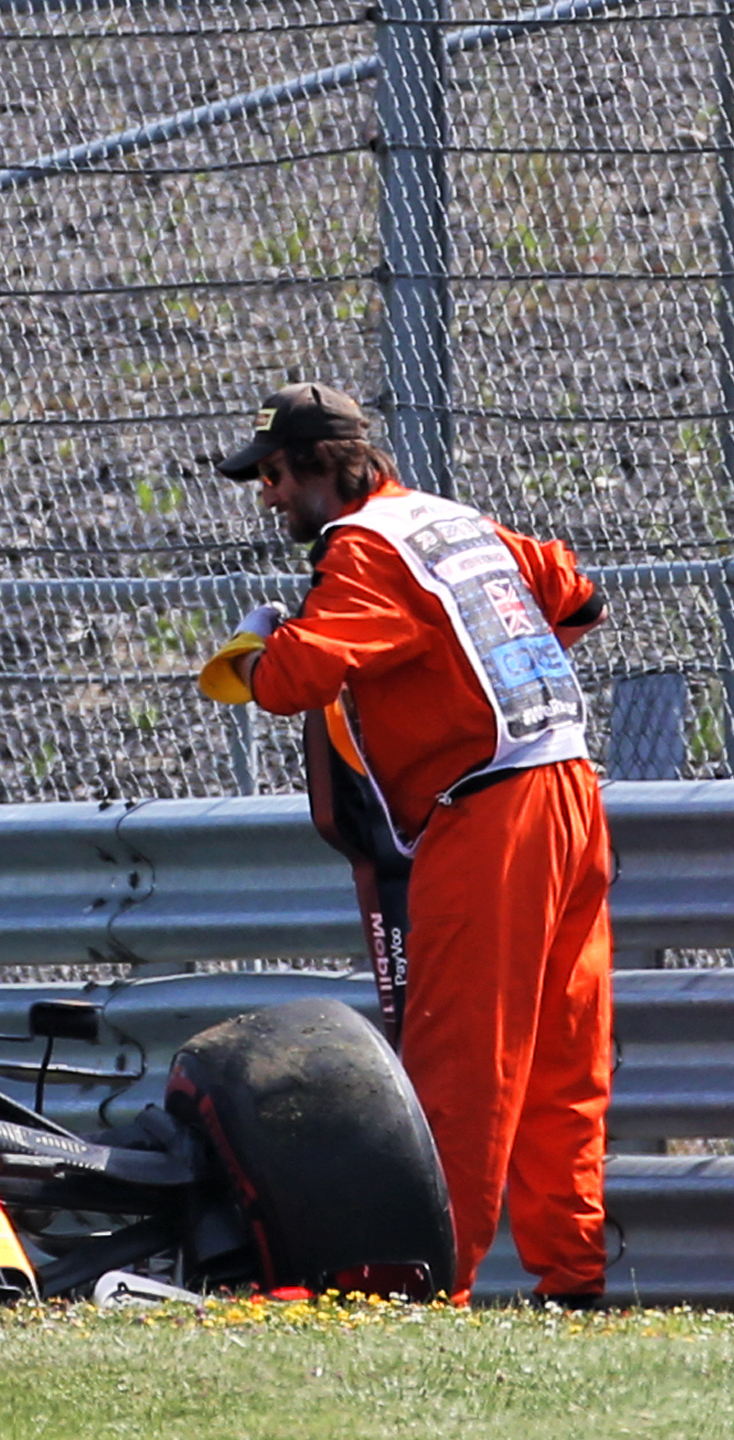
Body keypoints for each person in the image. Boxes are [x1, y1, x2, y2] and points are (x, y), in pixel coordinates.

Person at [194, 382, 614, 1305]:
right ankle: (572, 1278)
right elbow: (577, 598)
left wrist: (254, 650)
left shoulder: (362, 549)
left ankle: (435, 1285)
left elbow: (298, 678)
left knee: (461, 1063)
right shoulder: (452, 522)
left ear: (321, 468)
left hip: (491, 815)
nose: (266, 496)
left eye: (271, 475)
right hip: (572, 792)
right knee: (562, 1059)